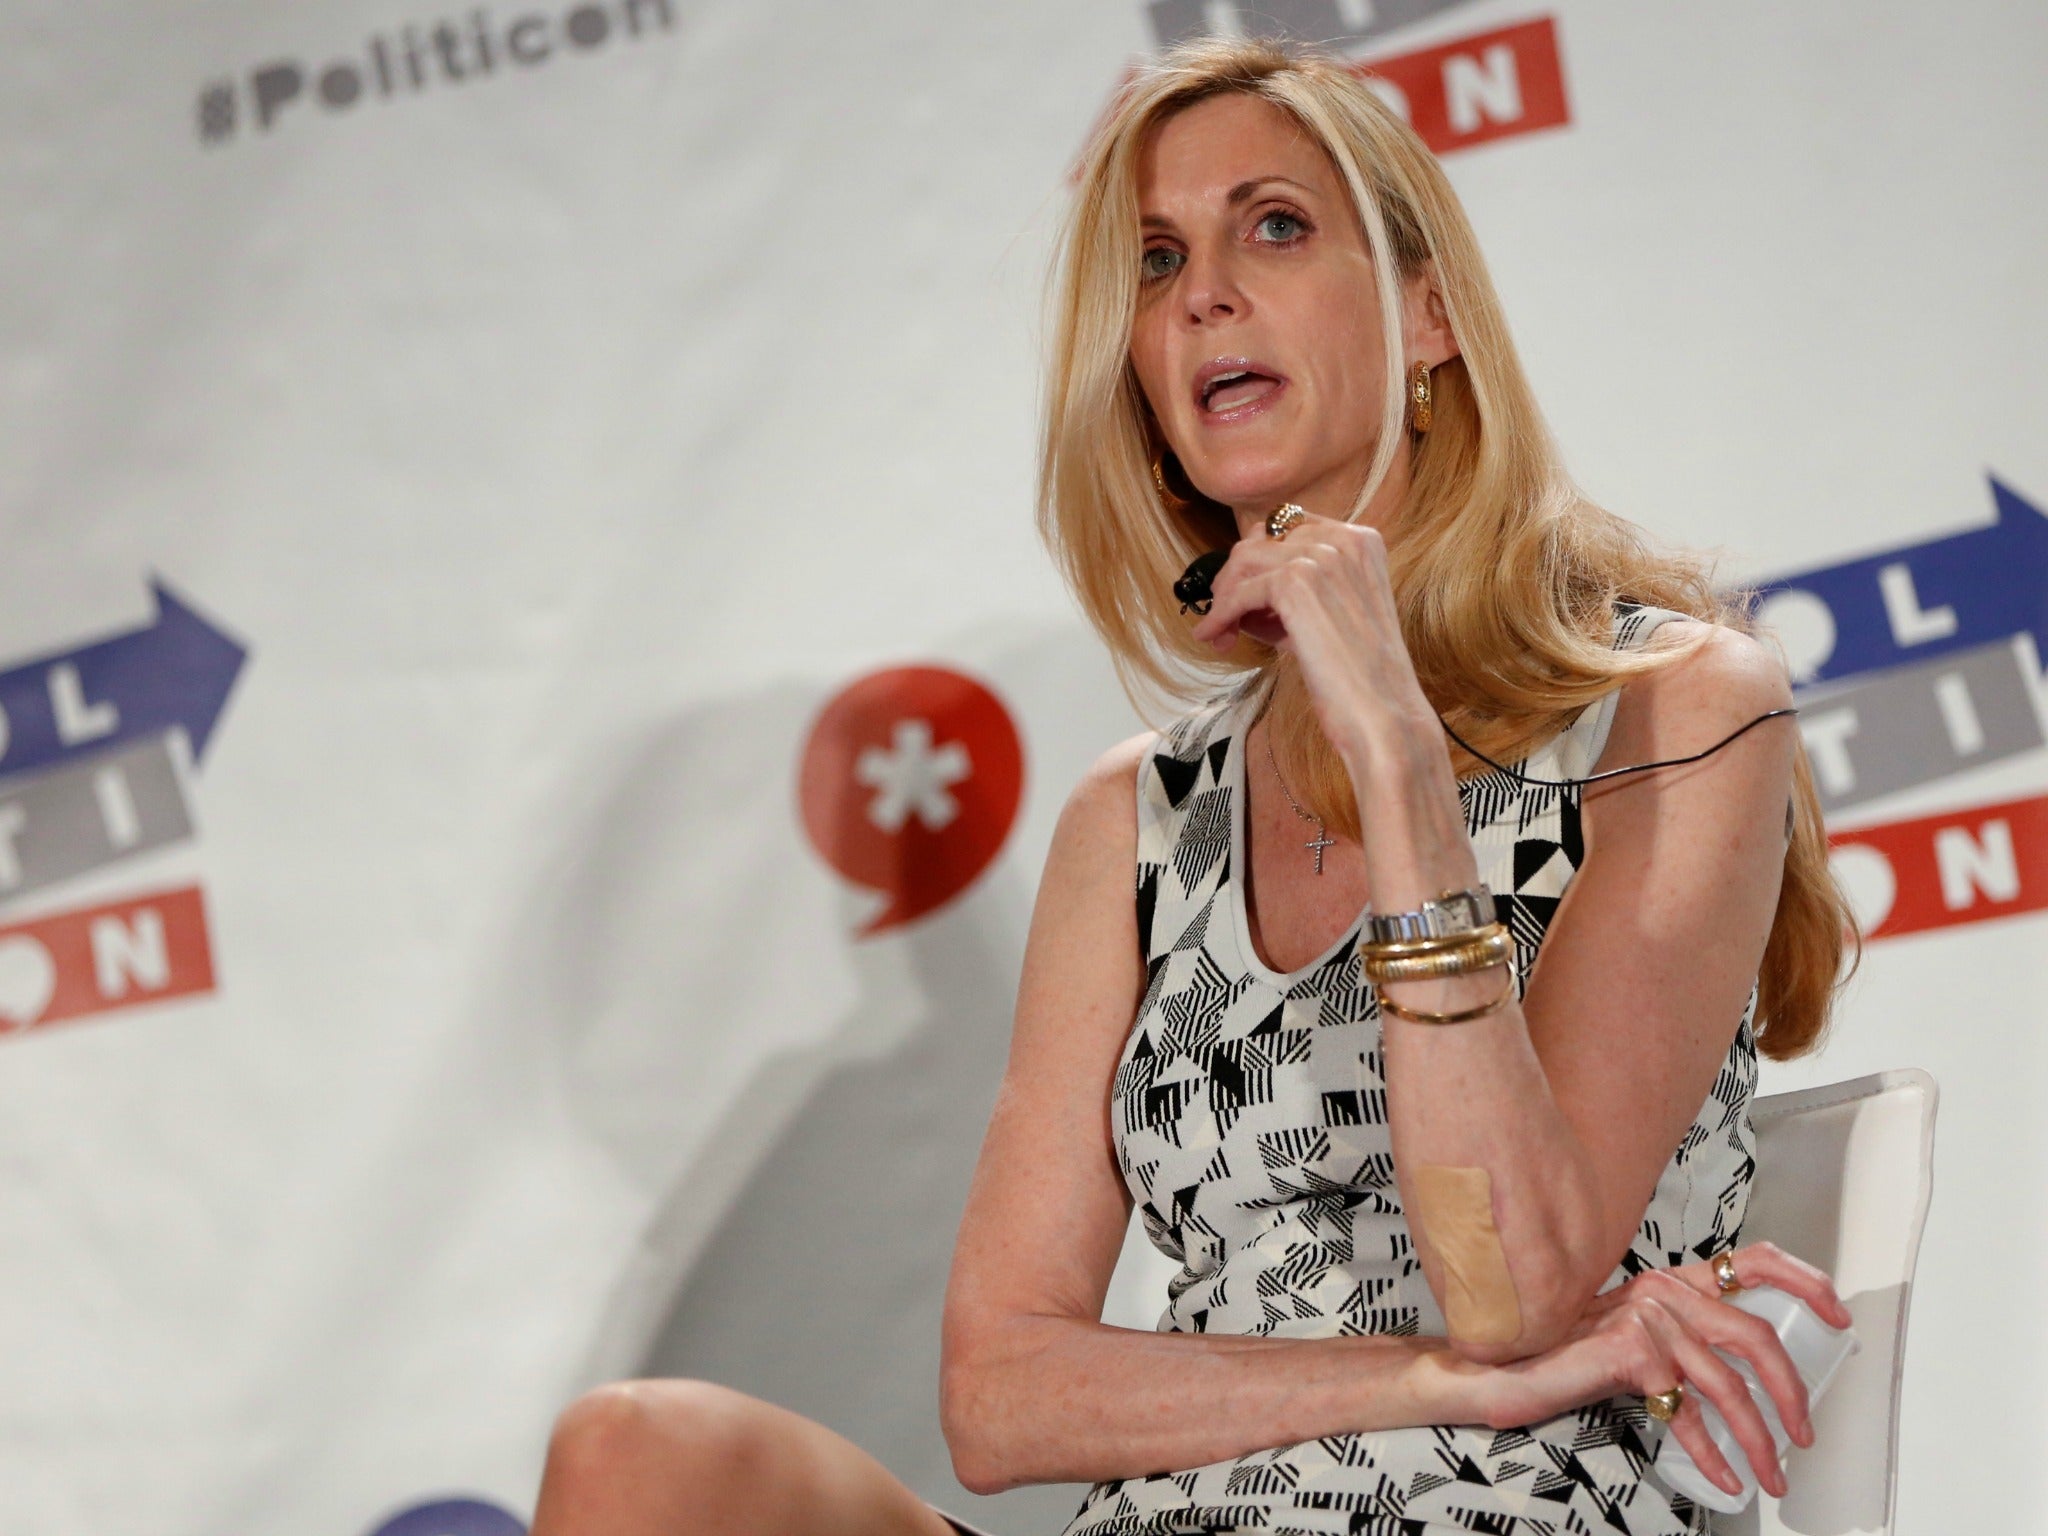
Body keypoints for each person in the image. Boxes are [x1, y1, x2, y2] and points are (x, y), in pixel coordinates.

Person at [527, 35, 1861, 1536]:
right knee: (640, 1455)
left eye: (1274, 226)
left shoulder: (1678, 708)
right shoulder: (1139, 817)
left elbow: (1522, 1288)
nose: (1203, 293)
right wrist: (1419, 1378)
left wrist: (1402, 760)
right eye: (1158, 262)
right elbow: (1000, 1394)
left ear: (1429, 313)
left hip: (1490, 1509)